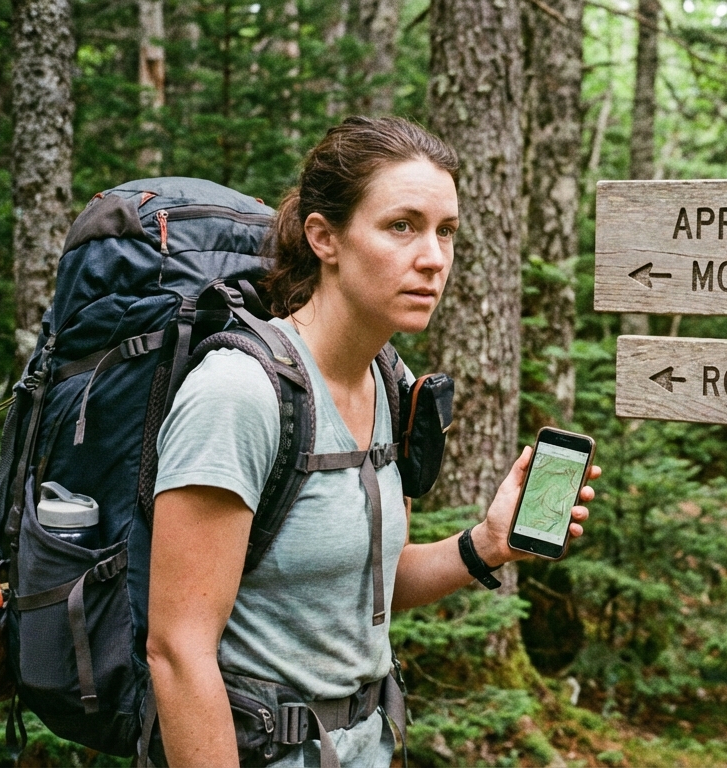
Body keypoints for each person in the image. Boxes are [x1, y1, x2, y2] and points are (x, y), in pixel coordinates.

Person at [145, 116, 600, 768]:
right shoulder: (239, 395)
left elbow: (369, 585)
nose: (434, 258)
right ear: (324, 237)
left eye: (446, 232)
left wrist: (487, 544)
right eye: (402, 226)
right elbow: (177, 650)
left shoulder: (391, 384)